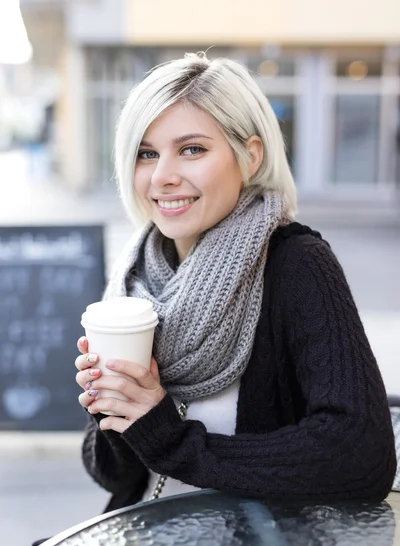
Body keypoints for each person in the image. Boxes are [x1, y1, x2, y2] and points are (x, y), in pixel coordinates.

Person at [75, 52, 396, 514]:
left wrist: (170, 438)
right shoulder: (134, 277)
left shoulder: (297, 265)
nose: (163, 176)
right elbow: (114, 478)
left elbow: (361, 456)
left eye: (192, 149)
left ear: (250, 155)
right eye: (147, 153)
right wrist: (113, 409)